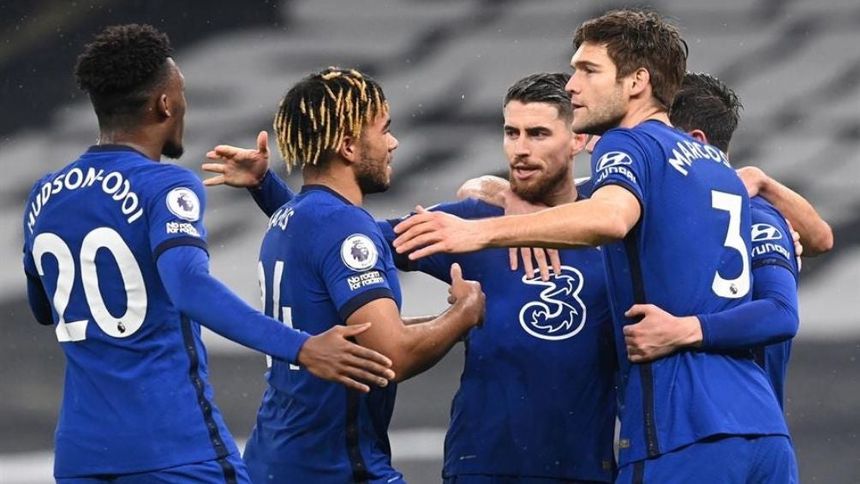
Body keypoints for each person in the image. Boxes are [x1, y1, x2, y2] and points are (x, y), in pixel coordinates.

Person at [392, 9, 798, 483]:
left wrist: (477, 232)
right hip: (763, 430)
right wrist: (498, 191)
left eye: (588, 70)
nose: (572, 86)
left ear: (637, 82)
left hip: (682, 427)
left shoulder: (627, 145)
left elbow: (609, 218)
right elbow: (793, 281)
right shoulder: (715, 168)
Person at [21, 25, 395, 483]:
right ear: (165, 104)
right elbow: (189, 287)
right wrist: (301, 347)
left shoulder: (45, 195)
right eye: (182, 95)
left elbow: (44, 307)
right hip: (172, 446)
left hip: (81, 454)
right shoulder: (166, 185)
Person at [204, 72, 618, 483]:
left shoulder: (616, 224)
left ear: (578, 139)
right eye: (512, 133)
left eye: (538, 134)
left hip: (583, 469)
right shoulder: (469, 223)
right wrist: (493, 212)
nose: (520, 149)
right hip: (480, 467)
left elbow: (325, 228)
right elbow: (339, 239)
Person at [210, 67, 485, 483]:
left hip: (276, 457)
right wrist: (464, 312)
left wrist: (264, 184)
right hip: (333, 466)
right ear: (349, 146)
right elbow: (392, 355)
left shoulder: (290, 216)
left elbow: (360, 333)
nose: (393, 143)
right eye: (384, 130)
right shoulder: (343, 226)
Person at [668, 72, 832, 406]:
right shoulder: (669, 209)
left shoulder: (752, 214)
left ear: (696, 142)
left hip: (732, 415)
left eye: (658, 135)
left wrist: (683, 331)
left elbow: (782, 309)